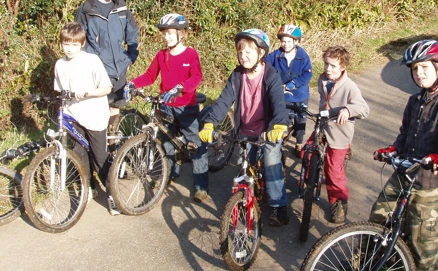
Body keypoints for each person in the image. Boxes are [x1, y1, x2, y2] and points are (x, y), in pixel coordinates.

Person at [370, 40, 438, 271]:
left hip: (430, 179)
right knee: (378, 215)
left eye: (424, 67)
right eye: (415, 69)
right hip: (405, 170)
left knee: (422, 233)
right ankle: (370, 261)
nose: (419, 73)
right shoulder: (414, 101)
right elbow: (404, 135)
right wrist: (393, 149)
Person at [198, 29, 291, 227]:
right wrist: (210, 122)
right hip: (245, 130)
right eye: (240, 51)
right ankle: (242, 201)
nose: (243, 55)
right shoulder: (237, 75)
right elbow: (223, 101)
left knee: (271, 163)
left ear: (261, 53)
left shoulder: (271, 75)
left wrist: (280, 125)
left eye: (249, 51)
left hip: (268, 131)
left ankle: (277, 206)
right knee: (242, 167)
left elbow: (278, 104)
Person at [124, 13, 209, 202]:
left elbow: (196, 77)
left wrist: (181, 88)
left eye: (170, 33)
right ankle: (170, 174)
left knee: (195, 145)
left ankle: (201, 186)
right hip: (166, 106)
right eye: (164, 33)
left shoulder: (190, 54)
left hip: (186, 107)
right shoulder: (162, 55)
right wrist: (132, 84)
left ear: (182, 33)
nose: (167, 37)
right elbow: (149, 76)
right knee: (167, 143)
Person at [54, 22, 120, 216]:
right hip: (73, 115)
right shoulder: (60, 64)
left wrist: (89, 92)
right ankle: (88, 188)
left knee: (100, 157)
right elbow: (59, 90)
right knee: (80, 155)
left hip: (94, 115)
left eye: (74, 44)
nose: (69, 48)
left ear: (82, 44)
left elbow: (107, 88)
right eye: (66, 44)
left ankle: (112, 194)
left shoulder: (91, 61)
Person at [74, 0, 139, 130]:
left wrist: (130, 57)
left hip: (120, 69)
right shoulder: (85, 11)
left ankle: (114, 147)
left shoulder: (122, 8)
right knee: (98, 113)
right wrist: (91, 63)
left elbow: (132, 33)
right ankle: (100, 151)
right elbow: (79, 40)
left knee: (115, 109)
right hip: (99, 71)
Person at [314, 46, 369, 224]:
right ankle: (309, 183)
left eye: (333, 66)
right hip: (323, 127)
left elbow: (364, 109)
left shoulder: (350, 87)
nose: (328, 69)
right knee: (306, 153)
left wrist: (348, 109)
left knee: (333, 170)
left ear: (343, 67)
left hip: (339, 132)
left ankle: (338, 202)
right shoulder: (322, 80)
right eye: (326, 64)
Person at [266, 24, 312, 157]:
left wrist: (293, 84)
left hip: (300, 94)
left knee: (300, 120)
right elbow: (264, 64)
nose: (285, 44)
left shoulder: (303, 57)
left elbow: (307, 74)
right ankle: (279, 144)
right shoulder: (275, 55)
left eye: (288, 41)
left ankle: (299, 142)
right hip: (283, 95)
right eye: (283, 41)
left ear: (296, 42)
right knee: (281, 119)